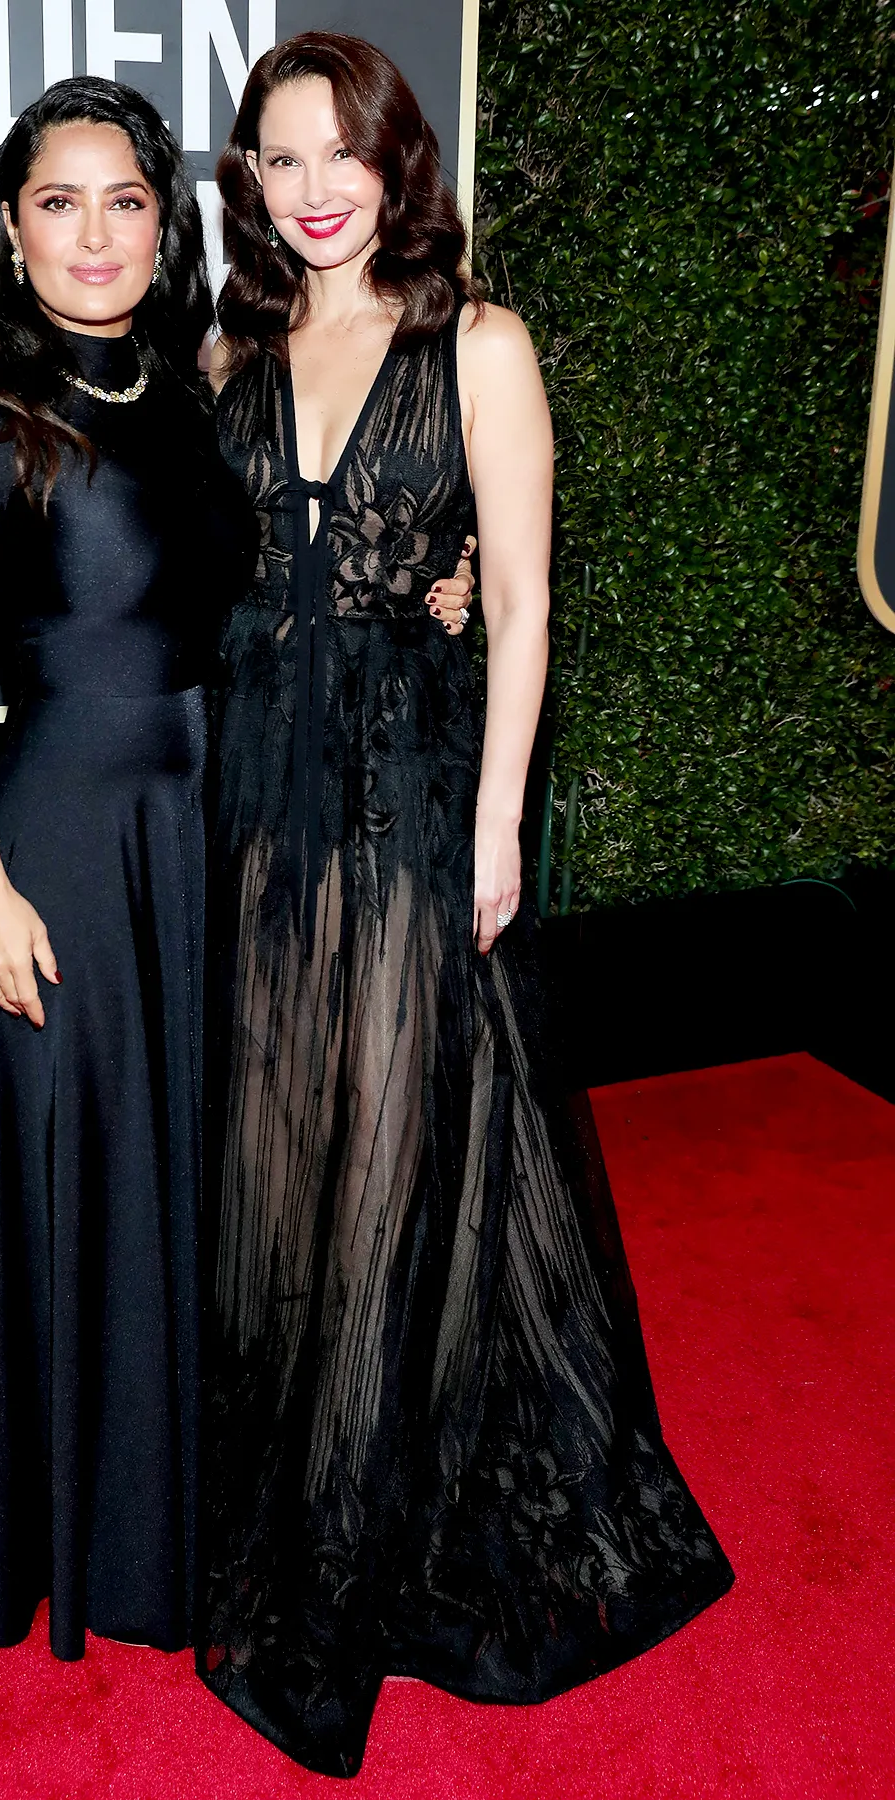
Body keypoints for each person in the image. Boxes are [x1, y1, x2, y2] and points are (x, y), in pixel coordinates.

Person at [197, 32, 734, 1776]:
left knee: (392, 1150)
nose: (316, 185)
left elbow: (519, 599)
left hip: (416, 805)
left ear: (395, 158)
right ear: (252, 186)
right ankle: (279, 1499)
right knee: (279, 1158)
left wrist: (500, 818)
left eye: (340, 149)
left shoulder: (478, 342)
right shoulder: (232, 344)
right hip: (257, 801)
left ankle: (344, 1573)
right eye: (280, 160)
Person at [0, 75, 473, 1665]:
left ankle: (186, 1512)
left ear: (167, 227)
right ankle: (86, 1540)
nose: (95, 233)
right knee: (82, 1180)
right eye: (59, 203)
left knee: (192, 1182)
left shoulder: (193, 391)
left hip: (218, 826)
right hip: (67, 846)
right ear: (15, 236)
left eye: (125, 201)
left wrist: (448, 570)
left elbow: (302, 557)